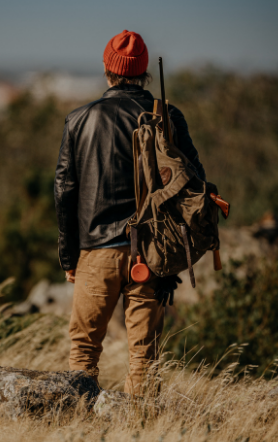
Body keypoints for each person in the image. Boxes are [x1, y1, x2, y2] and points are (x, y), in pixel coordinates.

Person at [54, 30, 206, 394]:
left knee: (84, 351)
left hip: (95, 253)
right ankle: (142, 432)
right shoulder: (166, 116)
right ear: (143, 74)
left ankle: (79, 429)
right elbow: (195, 180)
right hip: (151, 254)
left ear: (108, 70)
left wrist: (68, 255)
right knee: (144, 358)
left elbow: (64, 190)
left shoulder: (79, 119)